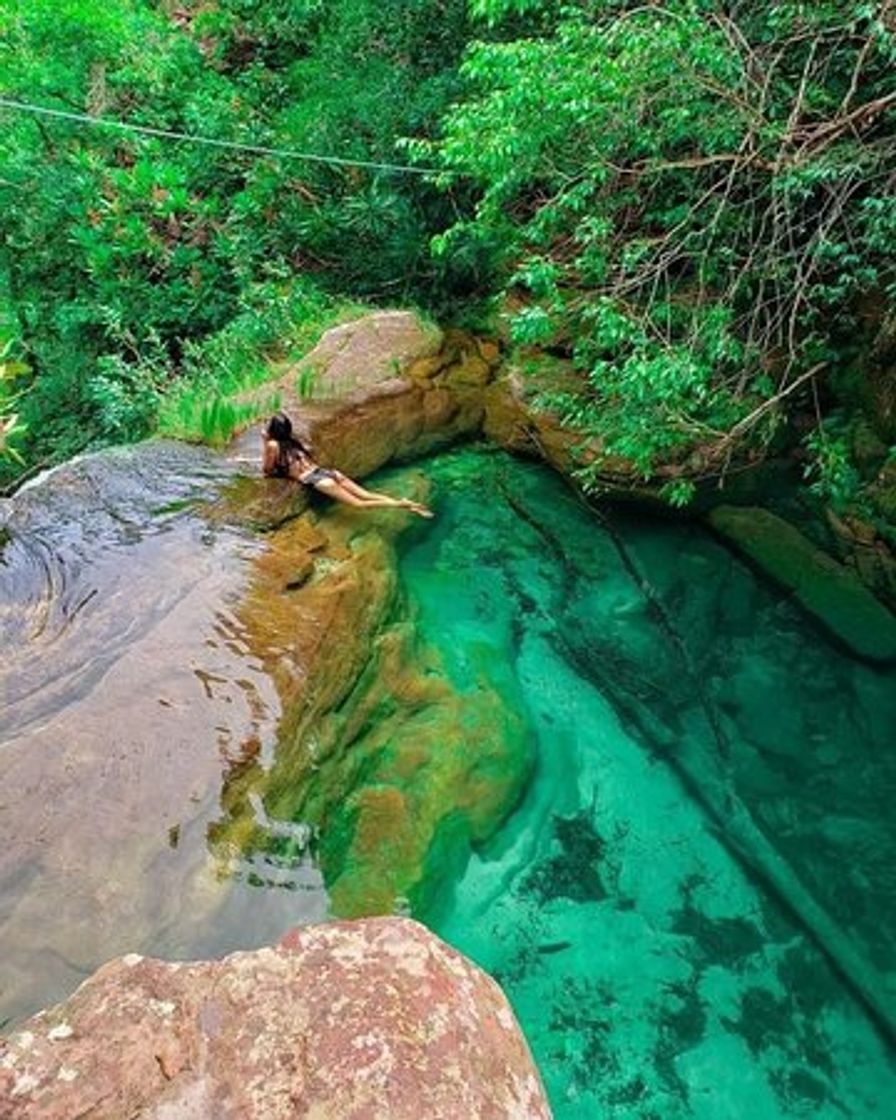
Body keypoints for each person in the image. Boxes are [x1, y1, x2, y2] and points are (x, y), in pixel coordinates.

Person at [261, 412, 433, 518]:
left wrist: (265, 442)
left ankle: (401, 504)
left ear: (273, 431)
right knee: (366, 495)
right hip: (326, 473)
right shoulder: (292, 442)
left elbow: (267, 470)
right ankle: (403, 503)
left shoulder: (273, 445)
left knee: (359, 504)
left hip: (315, 479)